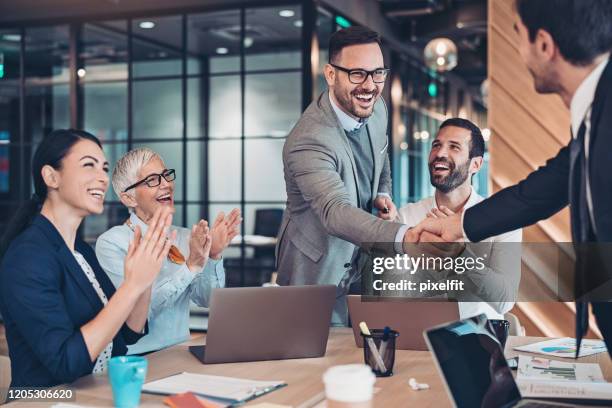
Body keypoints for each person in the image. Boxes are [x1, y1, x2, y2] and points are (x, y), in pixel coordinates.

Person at [414, 0, 612, 356]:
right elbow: (544, 189)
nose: (519, 52)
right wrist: (463, 224)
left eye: (518, 35)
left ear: (545, 45)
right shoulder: (597, 114)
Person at [0, 130, 173, 388]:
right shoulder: (27, 258)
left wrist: (147, 273)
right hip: (45, 401)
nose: (102, 178)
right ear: (51, 176)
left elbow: (127, 334)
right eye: (88, 165)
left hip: (98, 392)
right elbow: (66, 363)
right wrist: (132, 285)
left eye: (104, 167)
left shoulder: (81, 251)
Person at [276, 26, 415, 324]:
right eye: (357, 74)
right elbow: (334, 211)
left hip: (364, 268)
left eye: (378, 73)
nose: (370, 85)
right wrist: (406, 236)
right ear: (330, 74)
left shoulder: (377, 110)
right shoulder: (309, 139)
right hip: (316, 272)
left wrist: (383, 193)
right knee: (317, 365)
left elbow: (382, 156)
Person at [96, 148, 240, 354]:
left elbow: (207, 300)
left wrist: (213, 256)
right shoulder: (112, 243)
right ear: (129, 198)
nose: (166, 184)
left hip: (181, 351)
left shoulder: (183, 236)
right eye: (152, 180)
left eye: (165, 175)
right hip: (138, 357)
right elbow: (137, 316)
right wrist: (190, 267)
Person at [391, 118, 521, 319]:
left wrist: (461, 256)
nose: (440, 154)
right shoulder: (406, 216)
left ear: (475, 164)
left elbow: (505, 301)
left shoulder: (502, 221)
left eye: (454, 147)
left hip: (479, 342)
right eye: (436, 145)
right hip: (418, 337)